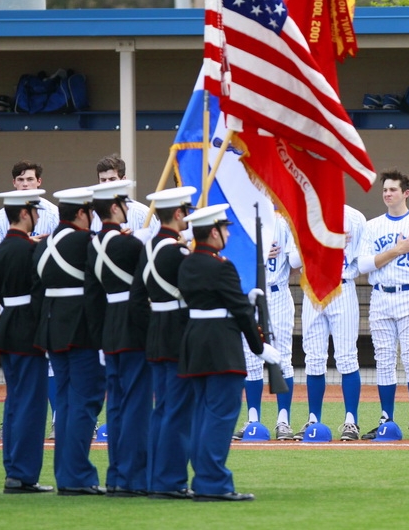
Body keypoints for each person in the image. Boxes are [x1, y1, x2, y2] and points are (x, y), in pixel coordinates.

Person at [178, 204, 281, 501]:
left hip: (194, 345)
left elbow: (213, 300)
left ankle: (202, 479)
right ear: (214, 232)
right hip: (221, 347)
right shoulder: (221, 265)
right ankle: (213, 483)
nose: (228, 234)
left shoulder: (187, 263)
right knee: (220, 417)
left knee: (201, 416)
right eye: (224, 229)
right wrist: (259, 347)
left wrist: (243, 301)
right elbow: (239, 311)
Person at [33, 187, 105, 496]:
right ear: (81, 213)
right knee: (84, 402)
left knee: (64, 402)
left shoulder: (43, 244)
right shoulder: (85, 242)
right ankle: (77, 476)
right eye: (90, 212)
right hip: (82, 331)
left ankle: (66, 473)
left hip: (53, 330)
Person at [357, 170, 409, 440]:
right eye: (385, 190)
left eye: (393, 189)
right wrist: (396, 250)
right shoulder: (372, 226)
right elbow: (363, 265)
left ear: (406, 193)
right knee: (383, 359)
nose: (388, 194)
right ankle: (386, 419)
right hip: (381, 294)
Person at [85, 180, 151, 497]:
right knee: (137, 405)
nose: (127, 208)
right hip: (133, 328)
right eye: (124, 203)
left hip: (109, 330)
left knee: (116, 405)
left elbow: (92, 296)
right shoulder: (129, 245)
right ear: (114, 207)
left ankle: (115, 474)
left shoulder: (93, 244)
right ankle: (133, 477)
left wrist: (99, 337)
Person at [130, 186, 195, 499]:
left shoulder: (148, 247)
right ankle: (170, 480)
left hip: (155, 334)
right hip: (177, 336)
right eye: (187, 212)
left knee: (162, 410)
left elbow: (137, 298)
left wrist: (153, 327)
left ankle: (155, 476)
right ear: (178, 213)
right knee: (177, 411)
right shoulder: (178, 252)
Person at [0, 189, 53, 494]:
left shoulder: (0, 250)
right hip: (28, 331)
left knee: (15, 401)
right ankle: (23, 474)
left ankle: (14, 469)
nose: (37, 216)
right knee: (31, 404)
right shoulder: (30, 250)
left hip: (8, 326)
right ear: (25, 213)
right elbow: (41, 292)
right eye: (35, 211)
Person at [290, 205, 366, 442]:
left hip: (342, 286)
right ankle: (313, 419)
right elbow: (294, 259)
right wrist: (323, 241)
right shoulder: (303, 215)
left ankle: (351, 421)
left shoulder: (355, 217)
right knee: (313, 358)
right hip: (313, 288)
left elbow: (362, 261)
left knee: (347, 357)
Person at [233, 210, 298, 442]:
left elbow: (294, 263)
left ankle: (283, 421)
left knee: (283, 359)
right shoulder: (241, 221)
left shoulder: (284, 222)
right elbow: (231, 259)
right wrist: (257, 255)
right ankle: (253, 420)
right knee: (251, 360)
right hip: (249, 294)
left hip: (277, 293)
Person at [89, 154, 160, 238]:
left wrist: (131, 239)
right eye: (103, 180)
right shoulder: (91, 214)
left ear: (123, 180)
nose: (107, 184)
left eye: (112, 179)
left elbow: (153, 243)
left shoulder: (142, 214)